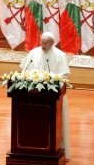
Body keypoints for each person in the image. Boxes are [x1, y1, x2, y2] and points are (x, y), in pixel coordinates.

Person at [19, 32, 71, 161]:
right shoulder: (33, 53)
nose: (43, 45)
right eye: (41, 42)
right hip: (33, 96)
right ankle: (31, 148)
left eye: (46, 43)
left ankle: (53, 148)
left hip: (53, 99)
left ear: (53, 43)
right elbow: (23, 71)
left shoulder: (60, 55)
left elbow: (63, 78)